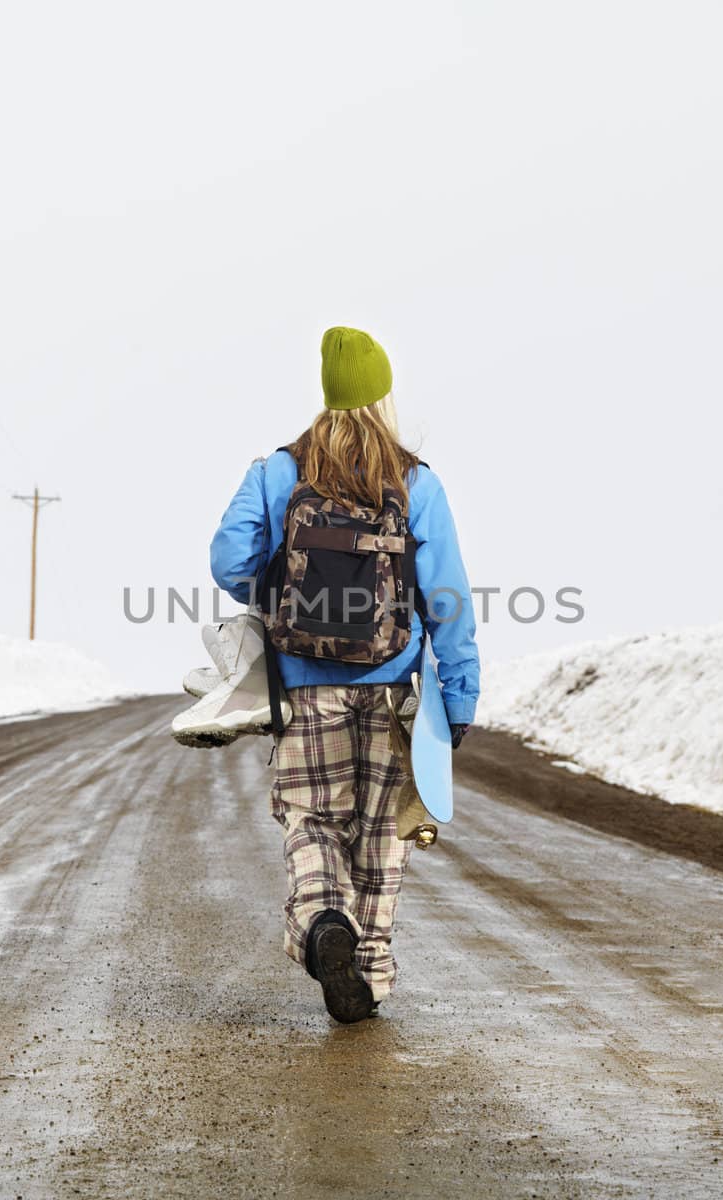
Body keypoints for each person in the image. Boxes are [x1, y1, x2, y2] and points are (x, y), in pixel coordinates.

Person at [209, 327, 480, 1023]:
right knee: (383, 832)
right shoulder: (416, 482)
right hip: (391, 692)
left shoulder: (279, 472)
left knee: (311, 822)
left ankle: (326, 923)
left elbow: (228, 560)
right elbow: (447, 598)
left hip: (305, 688)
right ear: (384, 397)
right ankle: (371, 975)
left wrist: (272, 592)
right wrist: (459, 695)